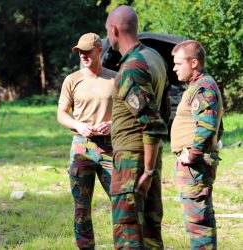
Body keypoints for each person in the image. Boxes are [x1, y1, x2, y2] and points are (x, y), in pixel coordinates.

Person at [105, 5, 169, 249]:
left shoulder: (131, 69)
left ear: (114, 29)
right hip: (149, 157)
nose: (109, 37)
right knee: (151, 234)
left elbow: (151, 122)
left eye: (108, 32)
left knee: (128, 234)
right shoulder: (155, 58)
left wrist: (148, 171)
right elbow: (163, 112)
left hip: (132, 164)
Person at [57, 32, 117, 250]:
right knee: (82, 208)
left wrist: (113, 124)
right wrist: (78, 125)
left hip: (111, 148)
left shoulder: (116, 78)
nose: (82, 55)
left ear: (99, 50)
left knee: (121, 203)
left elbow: (130, 112)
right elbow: (61, 113)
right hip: (82, 147)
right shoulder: (71, 80)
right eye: (79, 52)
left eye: (87, 51)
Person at [171, 40, 223, 249]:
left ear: (194, 63)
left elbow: (207, 125)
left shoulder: (203, 87)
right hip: (196, 165)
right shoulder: (201, 86)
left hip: (194, 166)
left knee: (198, 223)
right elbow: (218, 127)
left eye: (178, 63)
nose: (174, 68)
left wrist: (193, 155)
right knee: (201, 220)